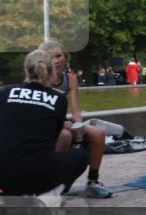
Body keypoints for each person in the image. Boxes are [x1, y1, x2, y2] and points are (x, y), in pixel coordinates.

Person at [0, 50, 89, 213]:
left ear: (26, 70)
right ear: (50, 71)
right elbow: (54, 135)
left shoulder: (6, 93)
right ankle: (48, 197)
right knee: (80, 155)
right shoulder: (59, 100)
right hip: (37, 179)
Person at [40, 39, 112, 198]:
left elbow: (76, 109)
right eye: (51, 57)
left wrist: (78, 124)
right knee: (65, 135)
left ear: (65, 57)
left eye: (59, 56)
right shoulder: (40, 79)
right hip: (45, 124)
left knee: (98, 134)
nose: (56, 61)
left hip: (63, 121)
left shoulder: (70, 78)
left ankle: (93, 181)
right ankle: (53, 183)